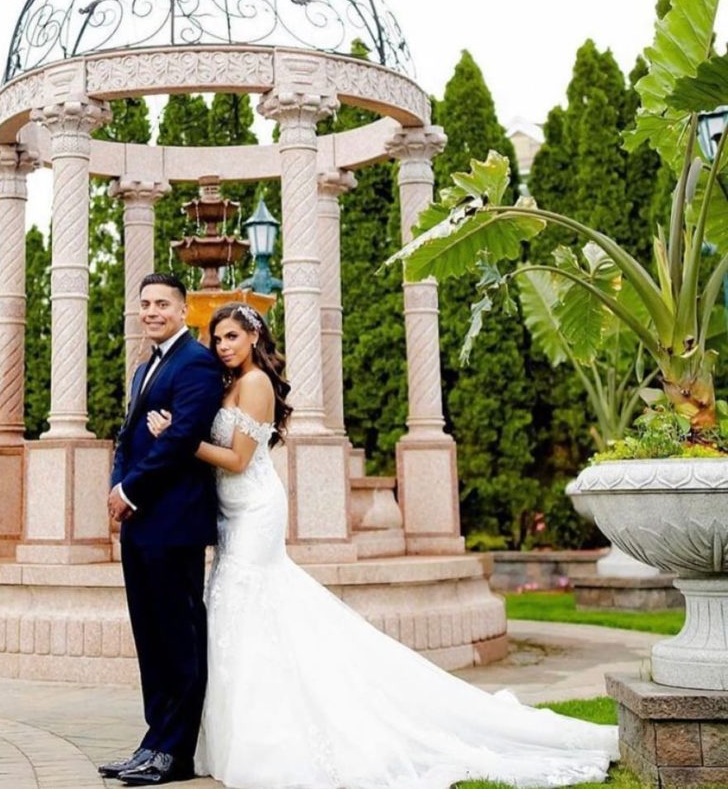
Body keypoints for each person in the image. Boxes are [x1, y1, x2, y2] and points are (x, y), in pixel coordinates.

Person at [145, 302, 620, 789]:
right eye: (218, 339)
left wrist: (179, 441)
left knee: (249, 603)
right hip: (229, 512)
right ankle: (237, 734)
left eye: (232, 337)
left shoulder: (257, 384)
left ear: (254, 336)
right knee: (233, 612)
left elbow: (240, 459)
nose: (223, 346)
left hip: (254, 509)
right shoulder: (228, 384)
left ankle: (273, 737)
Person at [100, 273, 225, 787]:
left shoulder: (196, 363)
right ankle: (153, 742)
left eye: (161, 304)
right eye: (145, 303)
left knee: (178, 640)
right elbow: (128, 437)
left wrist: (130, 492)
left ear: (183, 310)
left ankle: (175, 755)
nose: (151, 311)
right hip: (140, 524)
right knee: (149, 638)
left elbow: (181, 440)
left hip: (174, 524)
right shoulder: (144, 367)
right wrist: (118, 485)